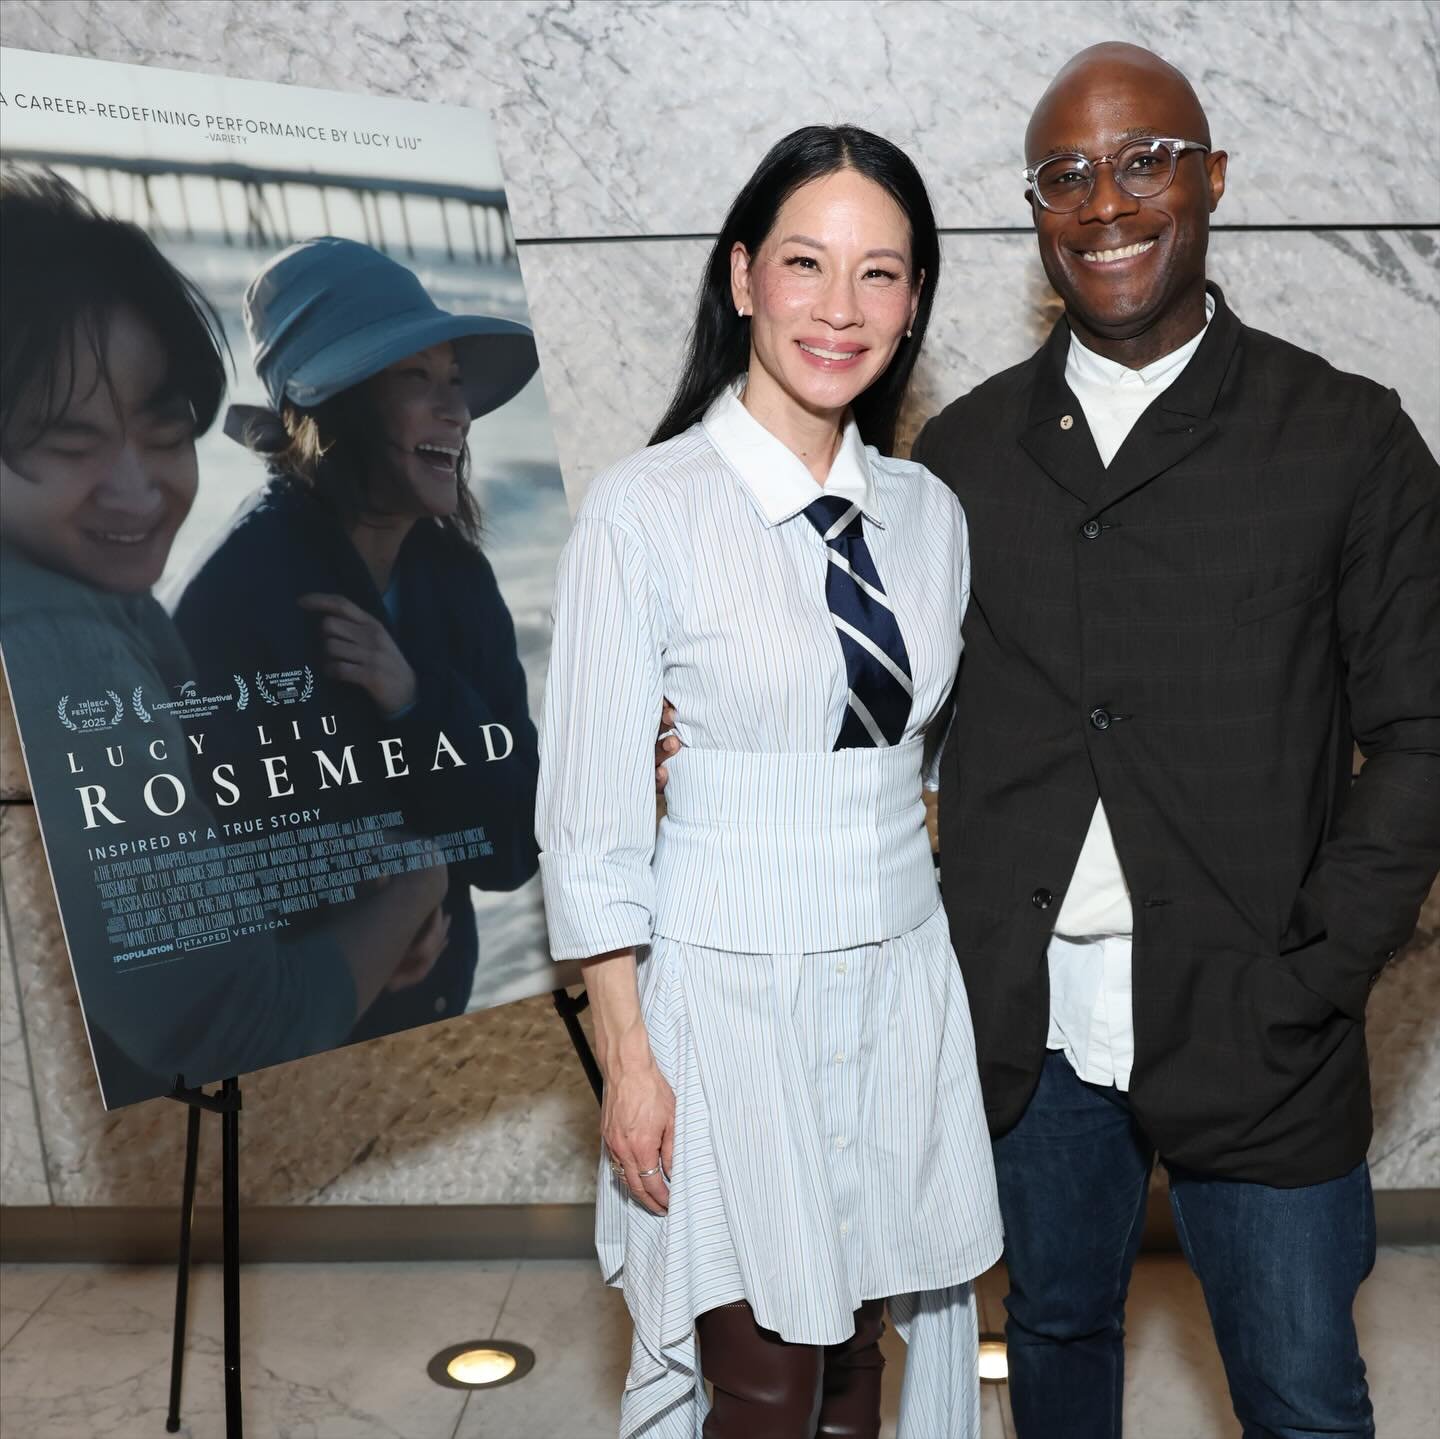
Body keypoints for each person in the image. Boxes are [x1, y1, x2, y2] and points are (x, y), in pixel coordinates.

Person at [908, 43, 1440, 1439]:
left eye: (1143, 160)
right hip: (1030, 1035)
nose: (1107, 202)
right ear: (1035, 213)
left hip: (1260, 1027)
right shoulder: (959, 457)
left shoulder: (1347, 438)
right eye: (1065, 175)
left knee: (1304, 1398)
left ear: (1209, 178)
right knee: (1059, 1339)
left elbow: (1425, 730)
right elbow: (889, 710)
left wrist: (1319, 966)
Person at [537, 126, 1001, 1439]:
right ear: (743, 276)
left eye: (881, 274)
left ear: (914, 302)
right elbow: (590, 819)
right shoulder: (648, 509)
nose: (840, 309)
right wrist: (629, 1057)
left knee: (859, 1361)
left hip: (899, 976)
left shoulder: (927, 518)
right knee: (758, 1372)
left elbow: (923, 753)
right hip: (728, 995)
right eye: (806, 263)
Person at [0, 166, 448, 1105]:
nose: (136, 492)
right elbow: (229, 1026)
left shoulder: (93, 598)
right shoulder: (57, 645)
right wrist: (413, 885)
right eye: (68, 444)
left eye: (164, 436)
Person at [174, 236, 543, 1042]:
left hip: (440, 1025)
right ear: (336, 411)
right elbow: (209, 891)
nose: (459, 410)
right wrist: (362, 938)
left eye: (454, 378)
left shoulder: (456, 580)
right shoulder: (235, 604)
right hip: (297, 1054)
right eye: (415, 377)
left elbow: (517, 844)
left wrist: (414, 703)